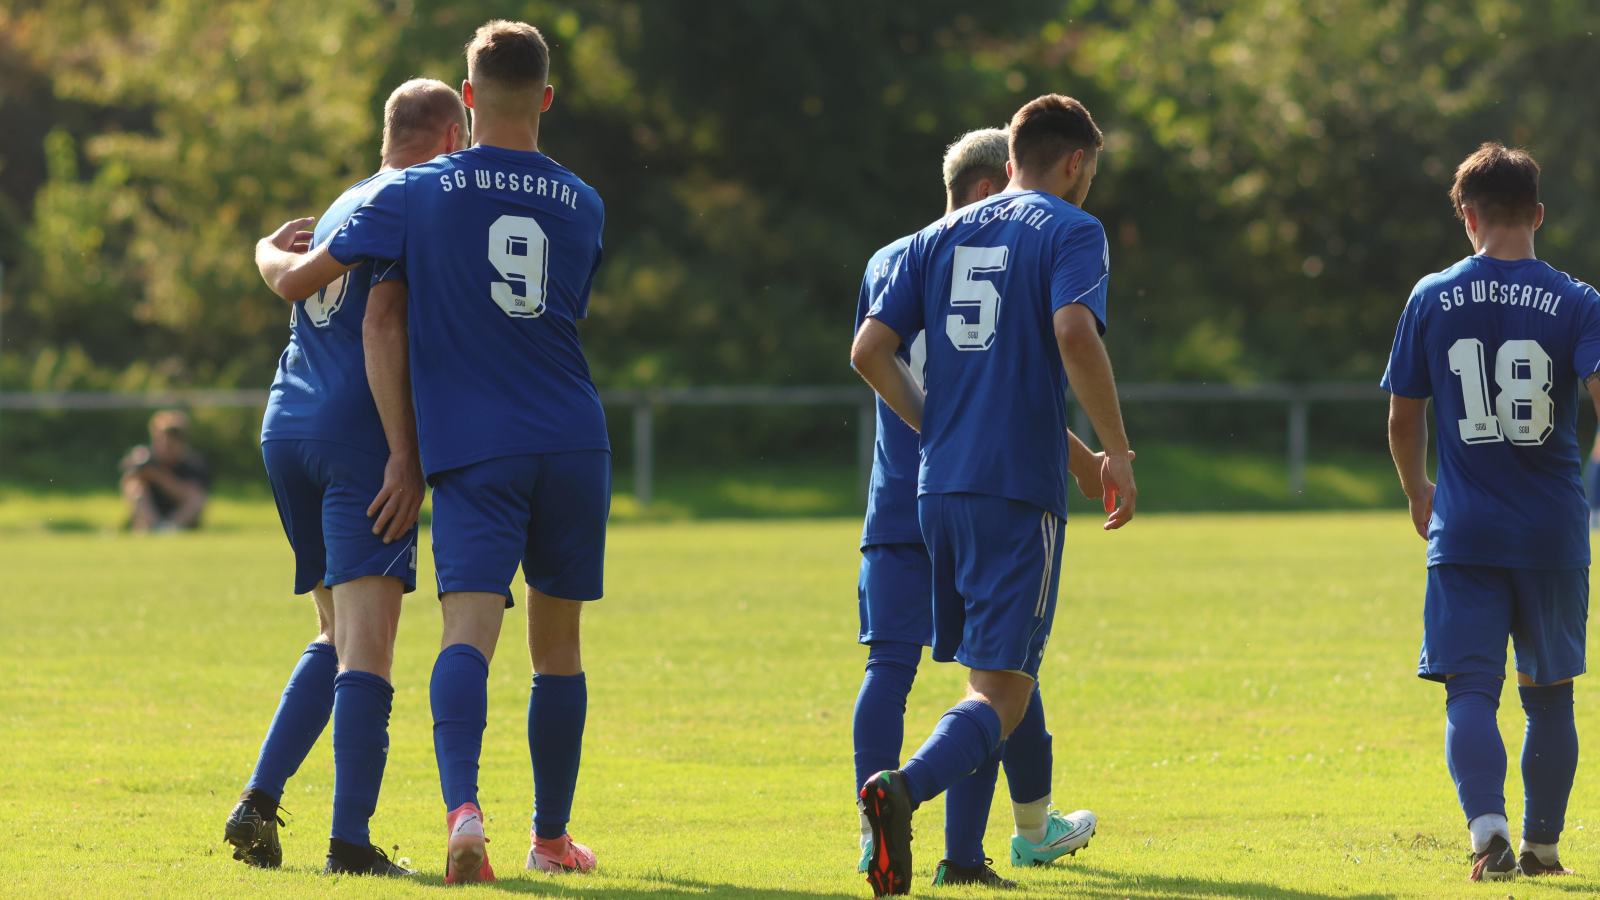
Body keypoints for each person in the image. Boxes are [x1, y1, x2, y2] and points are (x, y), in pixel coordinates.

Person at [255, 20, 607, 883]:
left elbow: (317, 286)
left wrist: (265, 247)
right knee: (558, 648)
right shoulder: (587, 202)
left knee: (465, 633)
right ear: (549, 99)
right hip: (572, 434)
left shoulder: (415, 192)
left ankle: (463, 814)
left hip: (471, 446)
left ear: (471, 96)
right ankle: (552, 839)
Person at [850, 94, 1136, 897]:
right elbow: (1075, 334)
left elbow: (870, 351)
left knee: (978, 673)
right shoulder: (1073, 230)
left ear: (1008, 160)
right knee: (1000, 690)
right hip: (1016, 488)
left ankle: (965, 858)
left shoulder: (931, 239)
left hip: (935, 489)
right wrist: (1115, 451)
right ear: (1075, 163)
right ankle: (899, 791)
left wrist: (936, 424)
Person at [230, 78, 466, 877]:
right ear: (447, 136)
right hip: (356, 436)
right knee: (369, 647)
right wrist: (407, 452)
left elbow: (292, 278)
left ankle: (258, 805)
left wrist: (262, 248)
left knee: (336, 637)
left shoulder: (345, 199)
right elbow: (382, 320)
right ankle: (351, 844)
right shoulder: (418, 196)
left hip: (286, 424)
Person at [1382, 142, 1600, 882]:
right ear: (1537, 215)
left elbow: (1403, 418)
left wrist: (1418, 492)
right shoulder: (1578, 301)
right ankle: (1542, 848)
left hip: (1466, 528)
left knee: (1470, 691)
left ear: (1467, 217)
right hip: (1553, 531)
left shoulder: (1430, 295)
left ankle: (1488, 831)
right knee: (1549, 698)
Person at [120, 409, 210, 531]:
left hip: (179, 519)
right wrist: (138, 471)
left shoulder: (194, 463)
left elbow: (193, 497)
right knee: (135, 487)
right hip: (150, 516)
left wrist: (157, 476)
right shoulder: (144, 458)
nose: (166, 444)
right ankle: (156, 528)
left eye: (173, 439)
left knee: (197, 499)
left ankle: (167, 530)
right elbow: (126, 484)